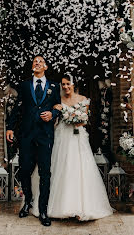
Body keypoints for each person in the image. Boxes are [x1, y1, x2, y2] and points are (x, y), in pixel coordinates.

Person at [30, 74, 113, 221]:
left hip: (77, 138)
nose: (66, 87)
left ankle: (81, 207)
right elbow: (54, 117)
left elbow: (83, 120)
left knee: (79, 169)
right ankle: (57, 206)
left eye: (68, 84)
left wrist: (68, 113)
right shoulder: (58, 100)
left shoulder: (82, 99)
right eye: (63, 84)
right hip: (62, 136)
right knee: (61, 167)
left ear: (73, 84)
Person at [6, 55, 61, 227]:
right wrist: (10, 127)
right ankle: (28, 201)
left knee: (45, 172)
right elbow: (17, 107)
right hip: (26, 134)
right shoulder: (24, 85)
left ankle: (43, 210)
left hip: (45, 135)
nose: (37, 63)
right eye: (34, 62)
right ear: (32, 67)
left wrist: (53, 114)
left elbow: (58, 106)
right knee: (24, 170)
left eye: (40, 62)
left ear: (46, 66)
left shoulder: (54, 86)